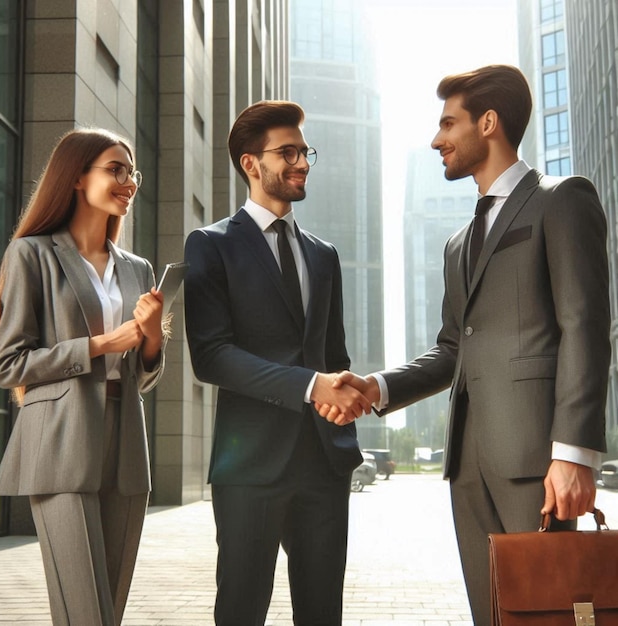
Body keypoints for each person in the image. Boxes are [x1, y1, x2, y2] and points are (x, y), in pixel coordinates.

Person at [321, 65, 610, 624]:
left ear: (490, 122)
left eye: (448, 124)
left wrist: (574, 452)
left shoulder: (561, 200)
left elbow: (585, 327)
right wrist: (376, 387)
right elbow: (454, 348)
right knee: (493, 614)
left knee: (549, 611)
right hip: (468, 464)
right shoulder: (458, 244)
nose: (437, 139)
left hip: (536, 460)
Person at [184, 100, 371, 625]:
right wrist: (312, 386)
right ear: (251, 163)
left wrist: (343, 398)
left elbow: (333, 354)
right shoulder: (210, 245)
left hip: (324, 462)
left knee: (322, 614)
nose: (302, 162)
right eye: (287, 152)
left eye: (304, 151)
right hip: (250, 466)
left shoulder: (324, 254)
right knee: (242, 610)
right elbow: (212, 356)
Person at [0, 128, 167, 626]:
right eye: (116, 169)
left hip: (126, 442)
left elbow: (145, 375)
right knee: (83, 612)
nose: (128, 181)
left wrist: (152, 337)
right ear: (75, 177)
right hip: (61, 439)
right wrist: (99, 346)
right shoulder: (33, 255)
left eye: (132, 172)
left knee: (108, 610)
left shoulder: (137, 267)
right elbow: (9, 364)